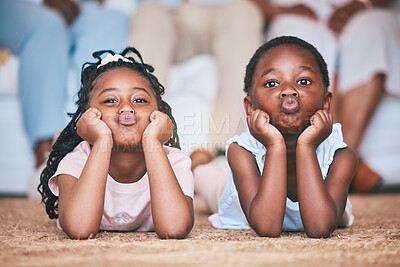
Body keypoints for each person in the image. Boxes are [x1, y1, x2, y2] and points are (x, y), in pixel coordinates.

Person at [194, 36, 357, 238]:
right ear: (250, 107)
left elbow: (319, 227)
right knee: (212, 184)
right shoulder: (242, 151)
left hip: (326, 206)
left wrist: (306, 146)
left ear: (326, 102)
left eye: (303, 81)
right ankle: (198, 166)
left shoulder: (341, 156)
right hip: (246, 204)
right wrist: (274, 145)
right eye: (272, 83)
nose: (288, 90)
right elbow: (267, 226)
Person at [38, 48, 194, 240]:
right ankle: (54, 146)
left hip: (169, 157)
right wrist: (102, 140)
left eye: (139, 100)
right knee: (35, 181)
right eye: (111, 100)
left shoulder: (174, 161)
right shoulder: (76, 161)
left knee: (208, 180)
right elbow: (80, 229)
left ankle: (203, 167)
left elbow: (174, 228)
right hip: (79, 155)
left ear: (159, 113)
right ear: (88, 116)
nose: (127, 108)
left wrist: (152, 142)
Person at [250, 0, 400, 192]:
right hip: (294, 10)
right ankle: (338, 166)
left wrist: (364, 3)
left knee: (374, 30)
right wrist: (276, 10)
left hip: (365, 7)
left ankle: (339, 163)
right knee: (294, 41)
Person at [0, 0, 128, 168]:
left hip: (80, 6)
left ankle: (94, 141)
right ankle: (46, 155)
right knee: (48, 25)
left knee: (110, 20)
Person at [129, 0, 264, 150]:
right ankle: (141, 133)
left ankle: (228, 141)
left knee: (244, 12)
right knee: (148, 12)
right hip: (172, 11)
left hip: (226, 11)